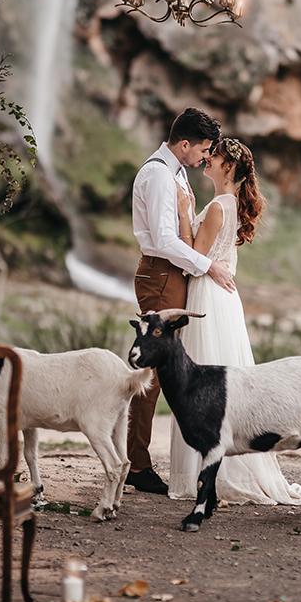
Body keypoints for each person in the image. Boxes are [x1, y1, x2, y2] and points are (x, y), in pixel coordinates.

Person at [168, 137, 301, 505]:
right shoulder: (226, 204)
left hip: (208, 296)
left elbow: (192, 255)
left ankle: (207, 472)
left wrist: (185, 212)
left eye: (212, 157)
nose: (206, 162)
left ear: (228, 166)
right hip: (222, 297)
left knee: (202, 383)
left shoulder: (218, 206)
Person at [126, 108, 235, 495]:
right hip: (160, 273)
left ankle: (138, 458)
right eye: (203, 149)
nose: (207, 157)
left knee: (168, 368)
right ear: (184, 144)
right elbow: (166, 240)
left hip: (173, 273)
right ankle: (136, 465)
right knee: (151, 372)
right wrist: (210, 267)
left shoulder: (177, 171)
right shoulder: (157, 174)